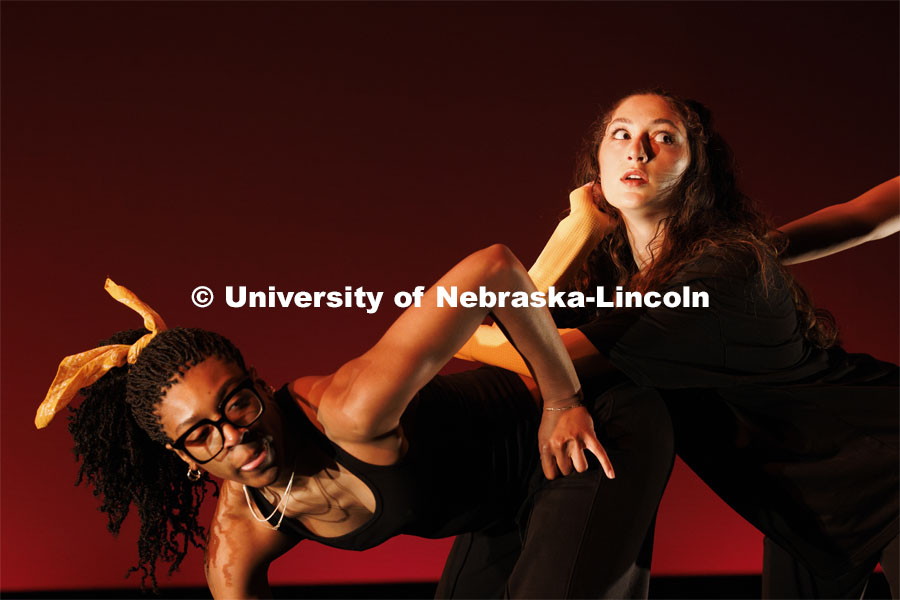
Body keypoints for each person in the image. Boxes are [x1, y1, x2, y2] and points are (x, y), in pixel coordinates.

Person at [456, 90, 899, 599]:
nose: (636, 150)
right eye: (620, 134)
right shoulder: (626, 280)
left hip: (885, 465)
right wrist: (575, 233)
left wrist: (449, 331)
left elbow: (502, 342)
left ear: (696, 167)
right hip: (809, 515)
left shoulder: (720, 273)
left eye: (663, 138)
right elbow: (507, 325)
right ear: (596, 160)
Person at [39, 246, 675, 599]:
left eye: (237, 402)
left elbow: (493, 270)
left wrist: (562, 400)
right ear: (184, 456)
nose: (234, 436)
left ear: (261, 383)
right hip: (500, 508)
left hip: (590, 426)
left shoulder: (350, 409)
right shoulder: (241, 538)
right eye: (202, 434)